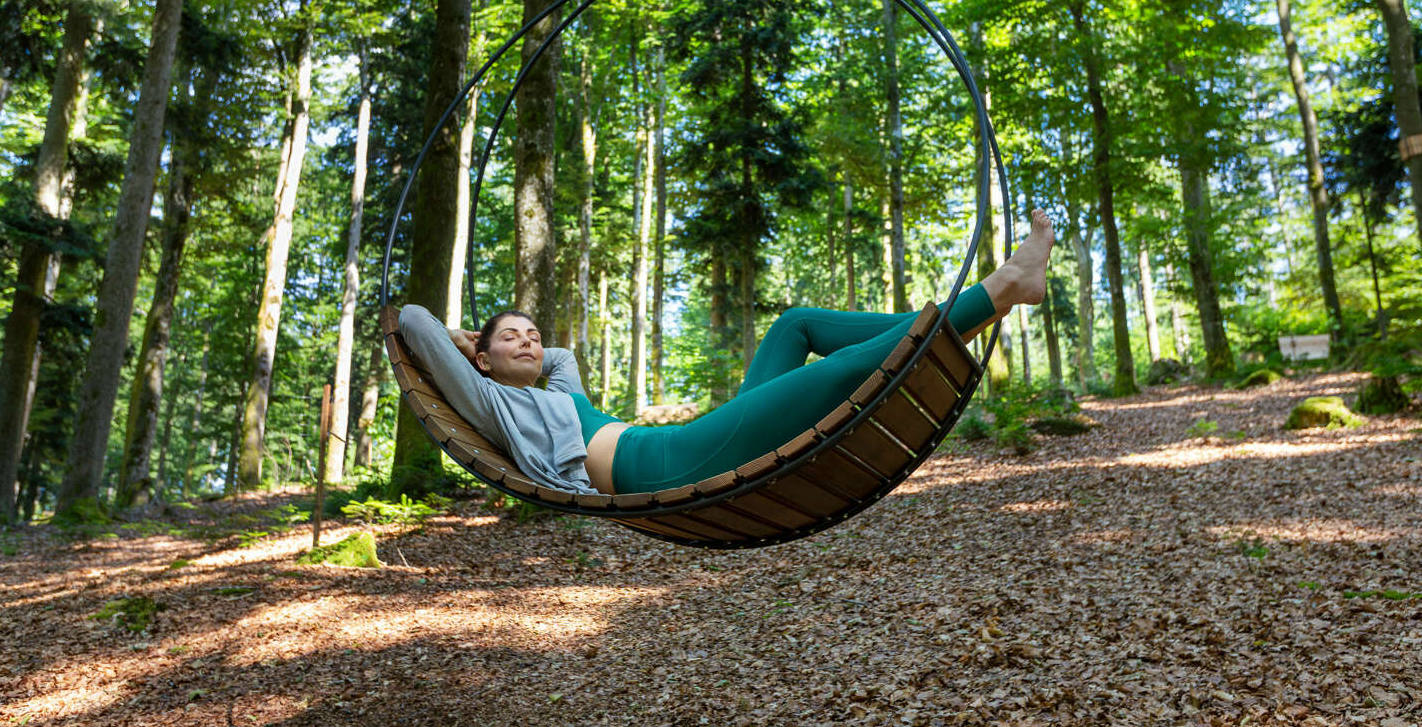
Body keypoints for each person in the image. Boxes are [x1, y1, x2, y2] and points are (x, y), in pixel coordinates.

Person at [398, 210, 1055, 496]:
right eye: (509, 337)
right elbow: (411, 319)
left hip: (688, 443)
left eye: (532, 331)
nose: (529, 340)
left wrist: (502, 346)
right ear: (482, 362)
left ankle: (942, 315)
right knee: (841, 376)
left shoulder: (559, 390)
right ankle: (998, 290)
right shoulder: (492, 403)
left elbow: (560, 356)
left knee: (795, 326)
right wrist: (464, 342)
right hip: (668, 465)